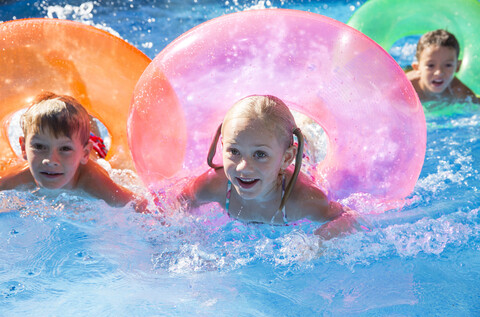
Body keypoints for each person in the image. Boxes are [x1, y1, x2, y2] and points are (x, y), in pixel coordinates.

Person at [180, 95, 359, 240]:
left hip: (302, 163)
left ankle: (308, 119)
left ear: (286, 157)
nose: (244, 167)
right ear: (222, 146)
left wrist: (319, 242)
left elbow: (350, 217)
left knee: (308, 142)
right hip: (278, 151)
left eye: (259, 155)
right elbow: (180, 203)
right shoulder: (214, 184)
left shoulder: (304, 200)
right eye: (234, 151)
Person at [0, 92, 145, 210]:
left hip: (93, 147)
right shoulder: (18, 177)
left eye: (64, 149)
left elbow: (139, 207)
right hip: (75, 141)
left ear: (84, 154)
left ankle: (82, 93)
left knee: (85, 125)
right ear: (24, 148)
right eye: (39, 147)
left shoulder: (91, 181)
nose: (50, 160)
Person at [406, 29, 478, 103]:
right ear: (417, 68)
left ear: (457, 66)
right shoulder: (406, 88)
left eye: (448, 65)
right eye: (431, 65)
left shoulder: (459, 92)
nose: (439, 72)